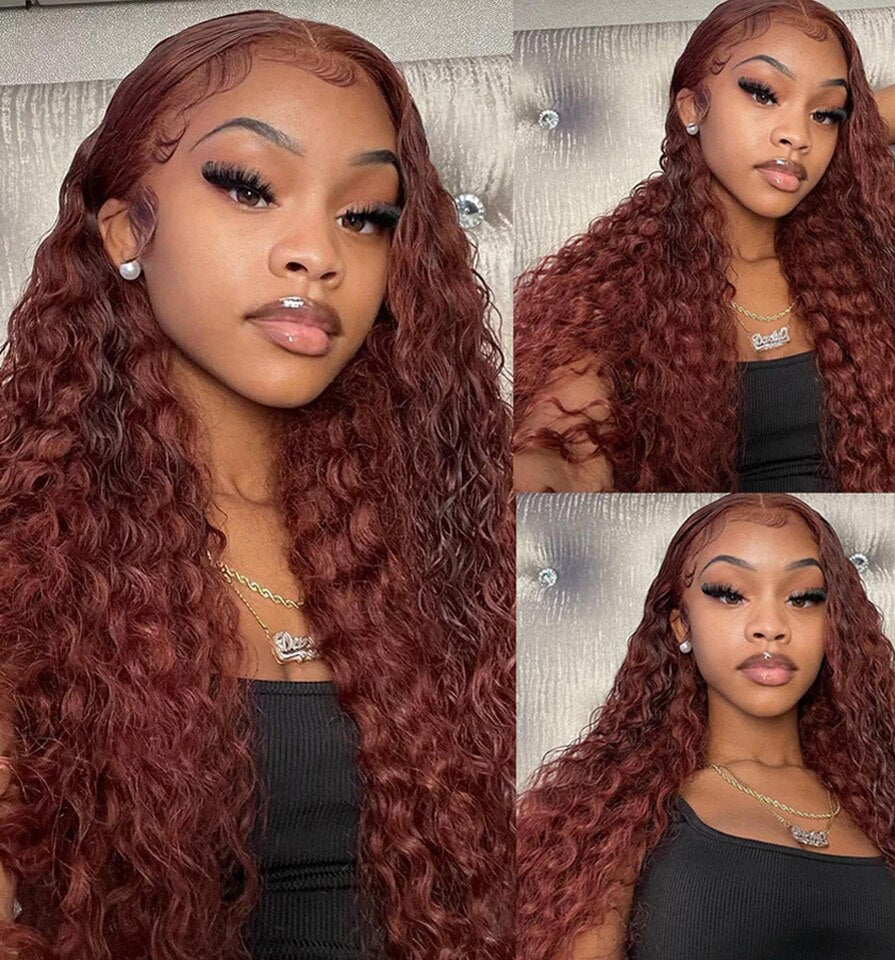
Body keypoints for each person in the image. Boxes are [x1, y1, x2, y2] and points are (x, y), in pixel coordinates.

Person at [0, 11, 513, 960]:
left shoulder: (449, 531)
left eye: (366, 216)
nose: (317, 253)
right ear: (125, 229)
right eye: (249, 187)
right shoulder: (25, 554)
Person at [513, 0, 895, 493]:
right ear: (692, 107)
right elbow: (565, 458)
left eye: (826, 114)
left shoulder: (854, 257)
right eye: (763, 94)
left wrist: (853, 136)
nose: (797, 136)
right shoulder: (613, 290)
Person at [517, 493, 895, 960]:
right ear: (681, 624)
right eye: (730, 594)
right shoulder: (610, 814)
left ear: (835, 626)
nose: (770, 626)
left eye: (804, 598)